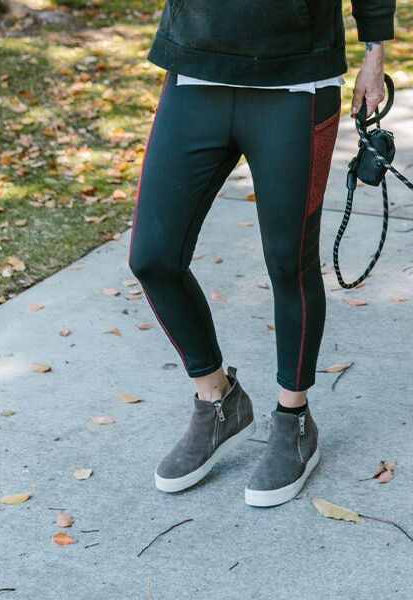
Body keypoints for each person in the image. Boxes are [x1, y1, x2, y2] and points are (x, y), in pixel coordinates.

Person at [128, 0, 395, 506]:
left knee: (290, 263)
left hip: (297, 82)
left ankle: (294, 420)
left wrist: (374, 50)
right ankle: (217, 400)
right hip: (195, 71)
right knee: (153, 258)